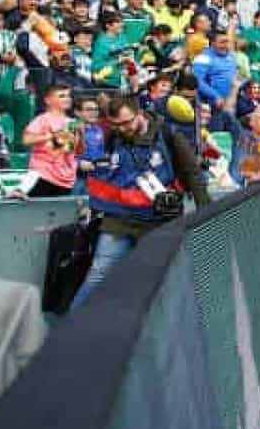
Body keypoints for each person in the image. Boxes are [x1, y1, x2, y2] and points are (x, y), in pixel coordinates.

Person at [74, 94, 209, 308]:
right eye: (116, 124)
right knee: (98, 276)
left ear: (139, 114)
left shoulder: (168, 135)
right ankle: (72, 331)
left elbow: (192, 173)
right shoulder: (112, 137)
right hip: (118, 221)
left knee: (160, 282)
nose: (123, 129)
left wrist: (205, 211)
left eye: (127, 122)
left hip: (160, 221)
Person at [20, 82, 80, 197]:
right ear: (48, 100)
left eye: (68, 96)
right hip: (43, 174)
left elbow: (69, 149)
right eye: (62, 96)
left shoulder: (73, 122)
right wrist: (50, 136)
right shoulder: (42, 119)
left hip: (65, 178)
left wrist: (77, 138)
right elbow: (26, 139)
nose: (67, 99)